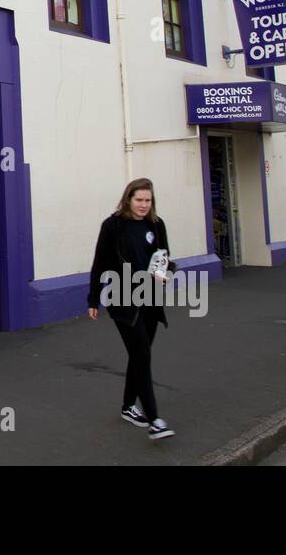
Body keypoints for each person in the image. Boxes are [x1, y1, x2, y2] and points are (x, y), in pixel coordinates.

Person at [86, 178, 177, 440]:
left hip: (150, 297)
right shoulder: (113, 226)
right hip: (123, 299)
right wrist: (93, 299)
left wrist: (165, 271)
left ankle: (128, 406)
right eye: (139, 200)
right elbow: (99, 263)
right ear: (128, 199)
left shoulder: (156, 225)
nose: (143, 205)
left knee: (140, 354)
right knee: (142, 356)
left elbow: (165, 257)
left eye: (148, 200)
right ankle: (155, 420)